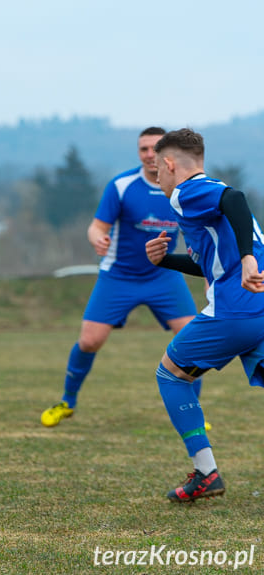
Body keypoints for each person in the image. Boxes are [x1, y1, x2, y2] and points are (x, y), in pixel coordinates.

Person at [41, 127, 202, 427]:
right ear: (139, 153)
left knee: (193, 340)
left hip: (165, 277)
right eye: (144, 149)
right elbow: (97, 226)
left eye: (156, 148)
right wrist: (96, 239)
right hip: (119, 277)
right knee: (89, 341)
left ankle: (193, 412)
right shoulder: (122, 185)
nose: (150, 154)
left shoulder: (186, 188)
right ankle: (67, 402)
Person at [145, 128, 264, 501]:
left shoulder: (187, 191)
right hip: (256, 302)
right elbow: (212, 264)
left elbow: (236, 199)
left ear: (169, 164)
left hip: (239, 306)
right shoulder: (206, 200)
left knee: (171, 374)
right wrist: (166, 260)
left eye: (157, 171)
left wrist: (246, 258)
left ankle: (206, 472)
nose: (157, 179)